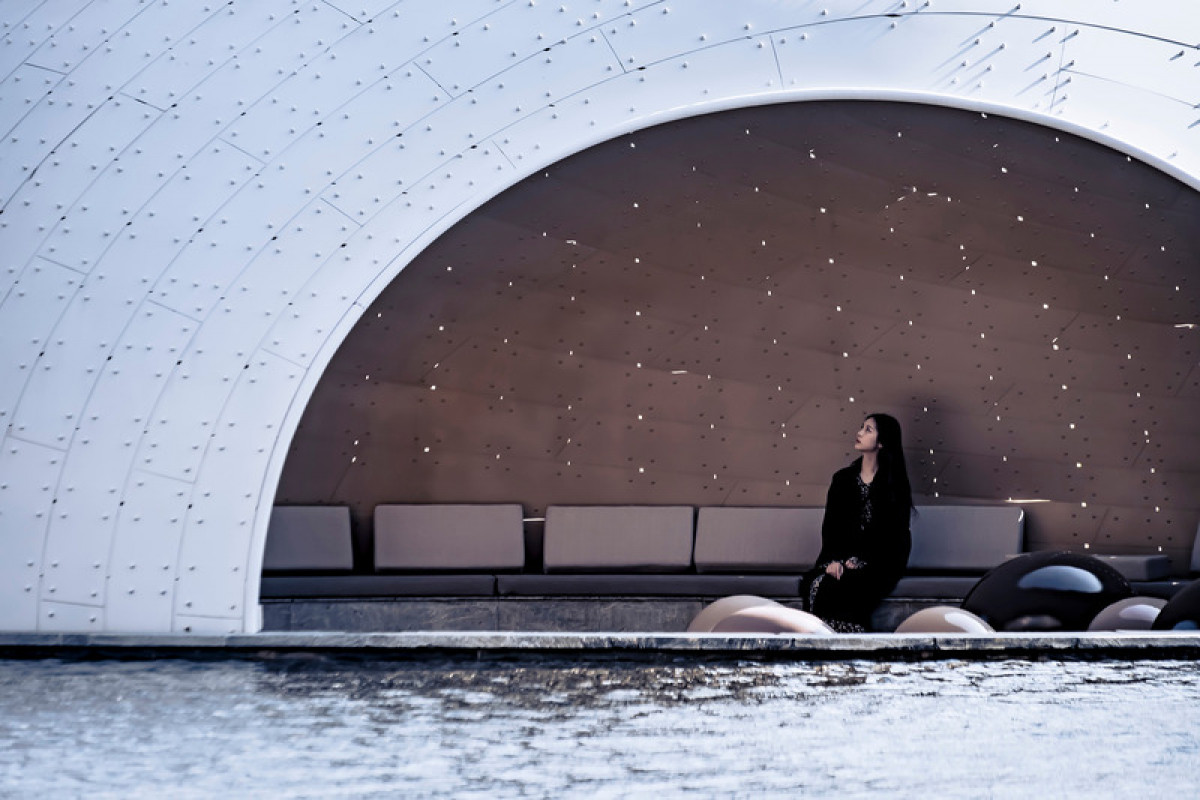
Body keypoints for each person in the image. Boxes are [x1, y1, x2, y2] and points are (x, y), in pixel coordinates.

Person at [800, 413, 913, 632]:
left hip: (881, 563)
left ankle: (851, 648)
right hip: (839, 560)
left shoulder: (893, 484)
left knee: (855, 583)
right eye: (861, 427)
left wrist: (862, 561)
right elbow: (831, 529)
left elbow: (896, 536)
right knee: (822, 584)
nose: (859, 433)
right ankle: (823, 644)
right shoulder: (842, 480)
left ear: (881, 442)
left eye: (868, 430)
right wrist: (833, 561)